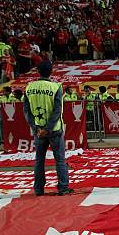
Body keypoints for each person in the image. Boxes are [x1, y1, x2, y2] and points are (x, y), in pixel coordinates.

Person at [23, 60, 71, 196]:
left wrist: (36, 128)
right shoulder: (56, 87)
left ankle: (38, 189)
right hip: (54, 130)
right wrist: (48, 129)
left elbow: (27, 112)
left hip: (38, 131)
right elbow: (57, 111)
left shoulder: (29, 87)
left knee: (39, 160)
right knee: (60, 160)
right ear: (51, 72)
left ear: (38, 71)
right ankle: (63, 188)